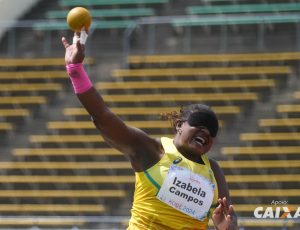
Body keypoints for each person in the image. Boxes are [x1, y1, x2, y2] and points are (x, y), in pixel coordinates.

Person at [62, 30, 238, 230]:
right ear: (179, 125)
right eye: (199, 123)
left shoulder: (213, 170)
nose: (206, 132)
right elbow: (102, 117)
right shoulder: (152, 151)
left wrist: (227, 227)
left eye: (212, 131)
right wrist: (75, 70)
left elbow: (228, 218)